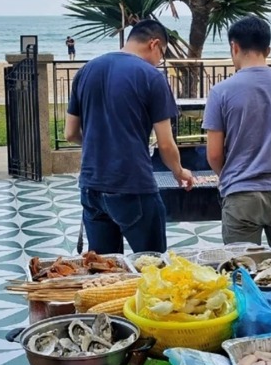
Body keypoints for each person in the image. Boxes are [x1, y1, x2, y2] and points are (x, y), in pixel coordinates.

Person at [65, 19, 194, 255]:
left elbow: (70, 133)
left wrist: (101, 144)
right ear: (154, 44)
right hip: (133, 185)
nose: (160, 61)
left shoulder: (86, 71)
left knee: (105, 269)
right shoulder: (152, 77)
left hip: (91, 187)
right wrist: (179, 171)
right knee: (152, 265)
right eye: (162, 54)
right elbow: (166, 144)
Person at [203, 15, 271, 253]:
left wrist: (231, 175)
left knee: (243, 269)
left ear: (234, 47)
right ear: (268, 50)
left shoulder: (220, 92)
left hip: (240, 193)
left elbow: (214, 154)